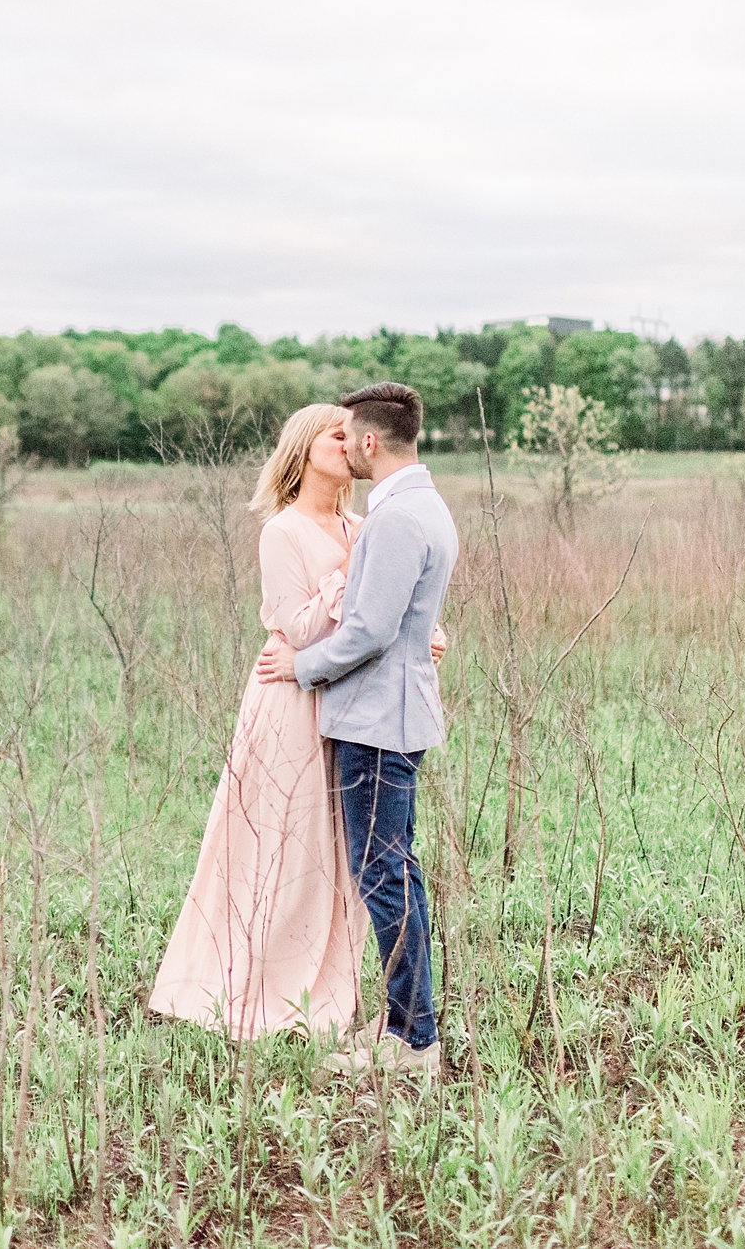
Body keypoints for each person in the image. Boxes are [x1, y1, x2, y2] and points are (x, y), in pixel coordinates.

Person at [149, 403, 443, 1040]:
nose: (348, 446)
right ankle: (261, 985)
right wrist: (346, 577)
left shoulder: (365, 525)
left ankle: (329, 987)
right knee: (286, 848)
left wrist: (424, 636)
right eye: (333, 437)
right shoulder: (282, 532)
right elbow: (297, 628)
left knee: (342, 857)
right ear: (304, 451)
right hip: (290, 699)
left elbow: (389, 611)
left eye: (350, 436)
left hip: (349, 701)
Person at [256, 381, 458, 1077]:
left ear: (371, 442)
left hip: (377, 722)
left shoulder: (396, 519)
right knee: (395, 871)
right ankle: (407, 1028)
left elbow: (369, 630)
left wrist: (301, 664)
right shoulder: (421, 507)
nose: (345, 448)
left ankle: (411, 1041)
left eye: (349, 436)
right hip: (392, 715)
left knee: (385, 874)